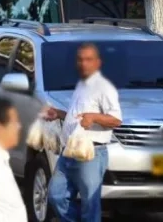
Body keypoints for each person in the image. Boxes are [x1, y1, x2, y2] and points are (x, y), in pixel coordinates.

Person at [44, 42, 122, 222]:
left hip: (91, 154)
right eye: (80, 60)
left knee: (90, 204)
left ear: (98, 63)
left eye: (88, 60)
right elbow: (78, 116)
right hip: (69, 151)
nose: (83, 64)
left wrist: (94, 117)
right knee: (56, 195)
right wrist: (59, 114)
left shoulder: (104, 88)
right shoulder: (81, 84)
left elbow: (116, 120)